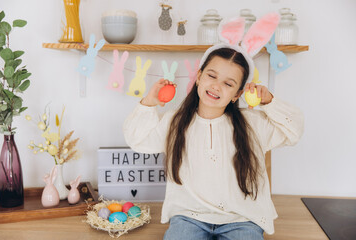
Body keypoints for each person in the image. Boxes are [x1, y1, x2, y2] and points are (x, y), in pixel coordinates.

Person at [123, 13, 304, 240]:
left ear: (238, 94)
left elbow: (294, 131)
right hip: (189, 218)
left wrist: (269, 102)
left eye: (228, 83)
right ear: (198, 77)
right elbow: (137, 141)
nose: (216, 86)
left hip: (241, 220)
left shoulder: (253, 123)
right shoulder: (174, 121)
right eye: (211, 75)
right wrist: (149, 102)